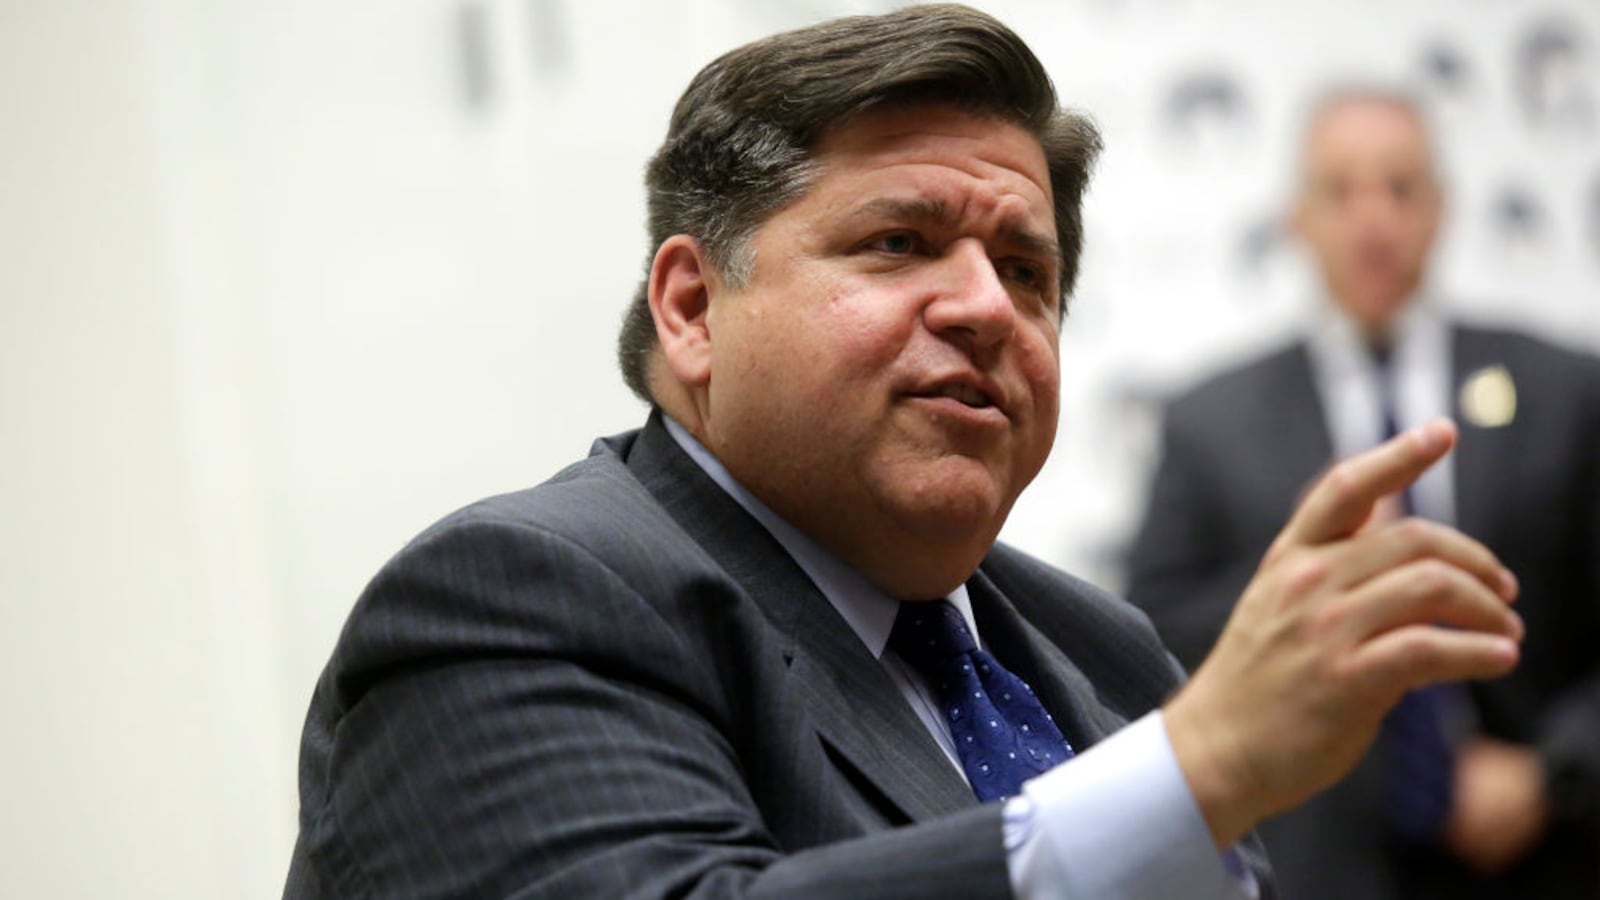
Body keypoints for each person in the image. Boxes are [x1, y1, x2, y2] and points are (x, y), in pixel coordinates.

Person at [284, 11, 1525, 898]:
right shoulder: (514, 597)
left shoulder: (1101, 652)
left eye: (1027, 272)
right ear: (690, 307)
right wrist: (1192, 770)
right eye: (895, 243)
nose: (987, 307)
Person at [1127, 87, 1600, 899]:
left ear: (1443, 211)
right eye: (1340, 190)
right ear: (1296, 219)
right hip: (1306, 861)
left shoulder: (1564, 392)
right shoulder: (1210, 420)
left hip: (1543, 855)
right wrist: (1305, 570)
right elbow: (1146, 648)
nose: (1373, 219)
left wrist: (1553, 773)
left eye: (1401, 187)